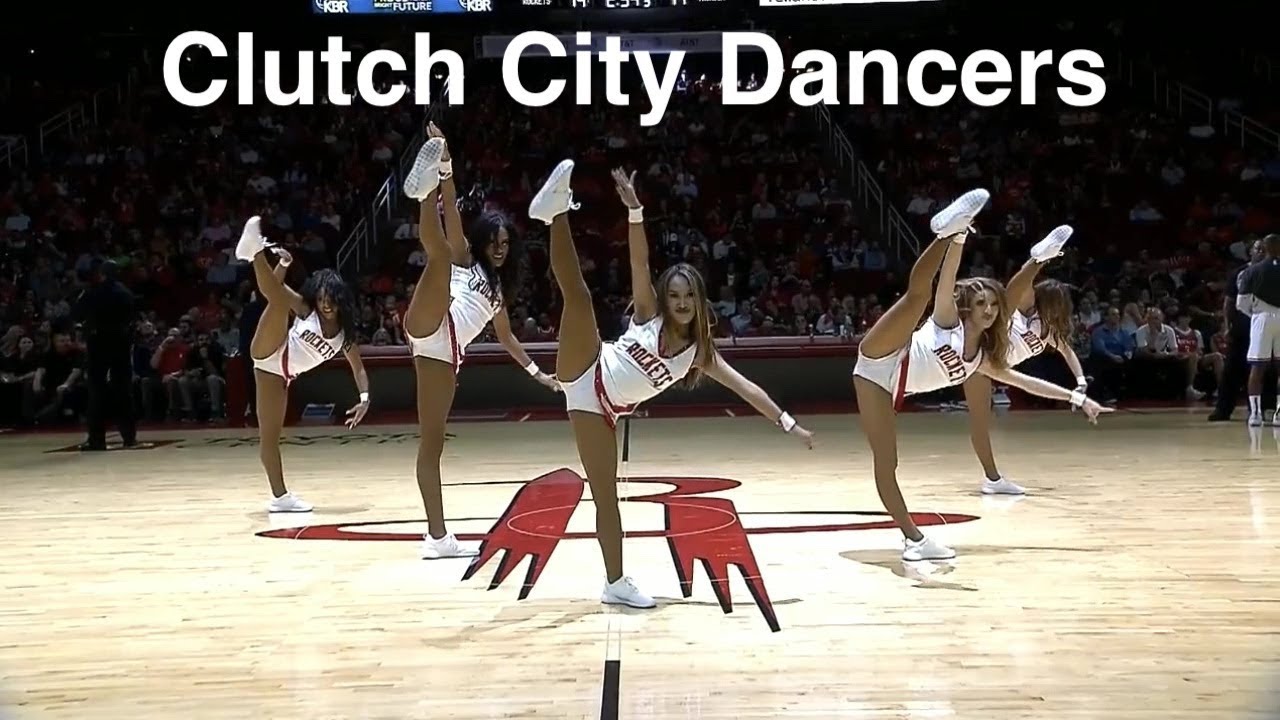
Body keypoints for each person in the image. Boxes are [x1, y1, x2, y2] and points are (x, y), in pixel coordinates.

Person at [529, 161, 815, 609]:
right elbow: (638, 260)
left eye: (688, 297)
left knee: (607, 500)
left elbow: (746, 388)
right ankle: (555, 213)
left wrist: (788, 424)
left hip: (598, 410)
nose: (680, 303)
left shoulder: (700, 354)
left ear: (699, 302)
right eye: (675, 295)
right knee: (579, 299)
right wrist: (636, 211)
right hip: (590, 364)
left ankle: (614, 583)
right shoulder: (648, 313)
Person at [851, 189, 1110, 562]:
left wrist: (1076, 396)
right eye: (981, 303)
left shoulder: (982, 359)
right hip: (881, 360)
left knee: (889, 462)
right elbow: (945, 282)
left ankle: (913, 540)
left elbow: (1024, 382)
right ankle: (946, 230)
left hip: (887, 388)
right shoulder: (946, 322)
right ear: (966, 307)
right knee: (915, 298)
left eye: (993, 304)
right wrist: (957, 238)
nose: (989, 309)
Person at [400, 126, 560, 559]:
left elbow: (507, 338)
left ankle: (437, 538)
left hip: (443, 355)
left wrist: (538, 374)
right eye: (495, 241)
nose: (501, 249)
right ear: (483, 241)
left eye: (506, 243)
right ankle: (423, 193)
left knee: (431, 446)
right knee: (438, 254)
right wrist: (447, 168)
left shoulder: (500, 294)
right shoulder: (465, 257)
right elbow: (453, 211)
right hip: (433, 319)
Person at [235, 218, 371, 513]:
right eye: (321, 299)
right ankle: (254, 251)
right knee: (278, 301)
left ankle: (279, 497)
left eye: (331, 300)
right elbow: (275, 291)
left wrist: (364, 398)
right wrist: (281, 269)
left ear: (340, 301)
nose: (325, 305)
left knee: (270, 438)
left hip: (277, 374)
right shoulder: (305, 309)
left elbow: (358, 369)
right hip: (270, 347)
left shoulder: (345, 337)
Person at [961, 226, 1088, 495]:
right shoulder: (1027, 307)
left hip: (987, 366)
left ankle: (993, 480)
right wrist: (1037, 264)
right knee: (1007, 300)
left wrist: (1080, 382)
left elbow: (1068, 352)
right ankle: (1037, 259)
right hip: (987, 343)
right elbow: (1022, 287)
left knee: (981, 423)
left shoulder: (1050, 332)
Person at [73, 260, 139, 450]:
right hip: (120, 344)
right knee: (124, 391)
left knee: (96, 392)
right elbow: (131, 318)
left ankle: (96, 439)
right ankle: (129, 437)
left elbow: (77, 314)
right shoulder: (125, 293)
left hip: (98, 345)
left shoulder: (91, 292)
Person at [1210, 238, 1276, 421]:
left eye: (1265, 250)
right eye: (1258, 249)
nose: (1262, 252)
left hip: (1268, 325)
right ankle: (1223, 409)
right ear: (1251, 252)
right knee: (1232, 368)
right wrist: (1228, 325)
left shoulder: (1275, 271)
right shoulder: (1240, 273)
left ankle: (1266, 408)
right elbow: (1230, 302)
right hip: (1244, 326)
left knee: (1267, 369)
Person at [1236, 233, 1280, 426]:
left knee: (1257, 366)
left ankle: (1255, 414)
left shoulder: (1252, 271)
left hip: (1261, 318)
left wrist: (1255, 315)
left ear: (1266, 248)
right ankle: (1279, 414)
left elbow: (1241, 303)